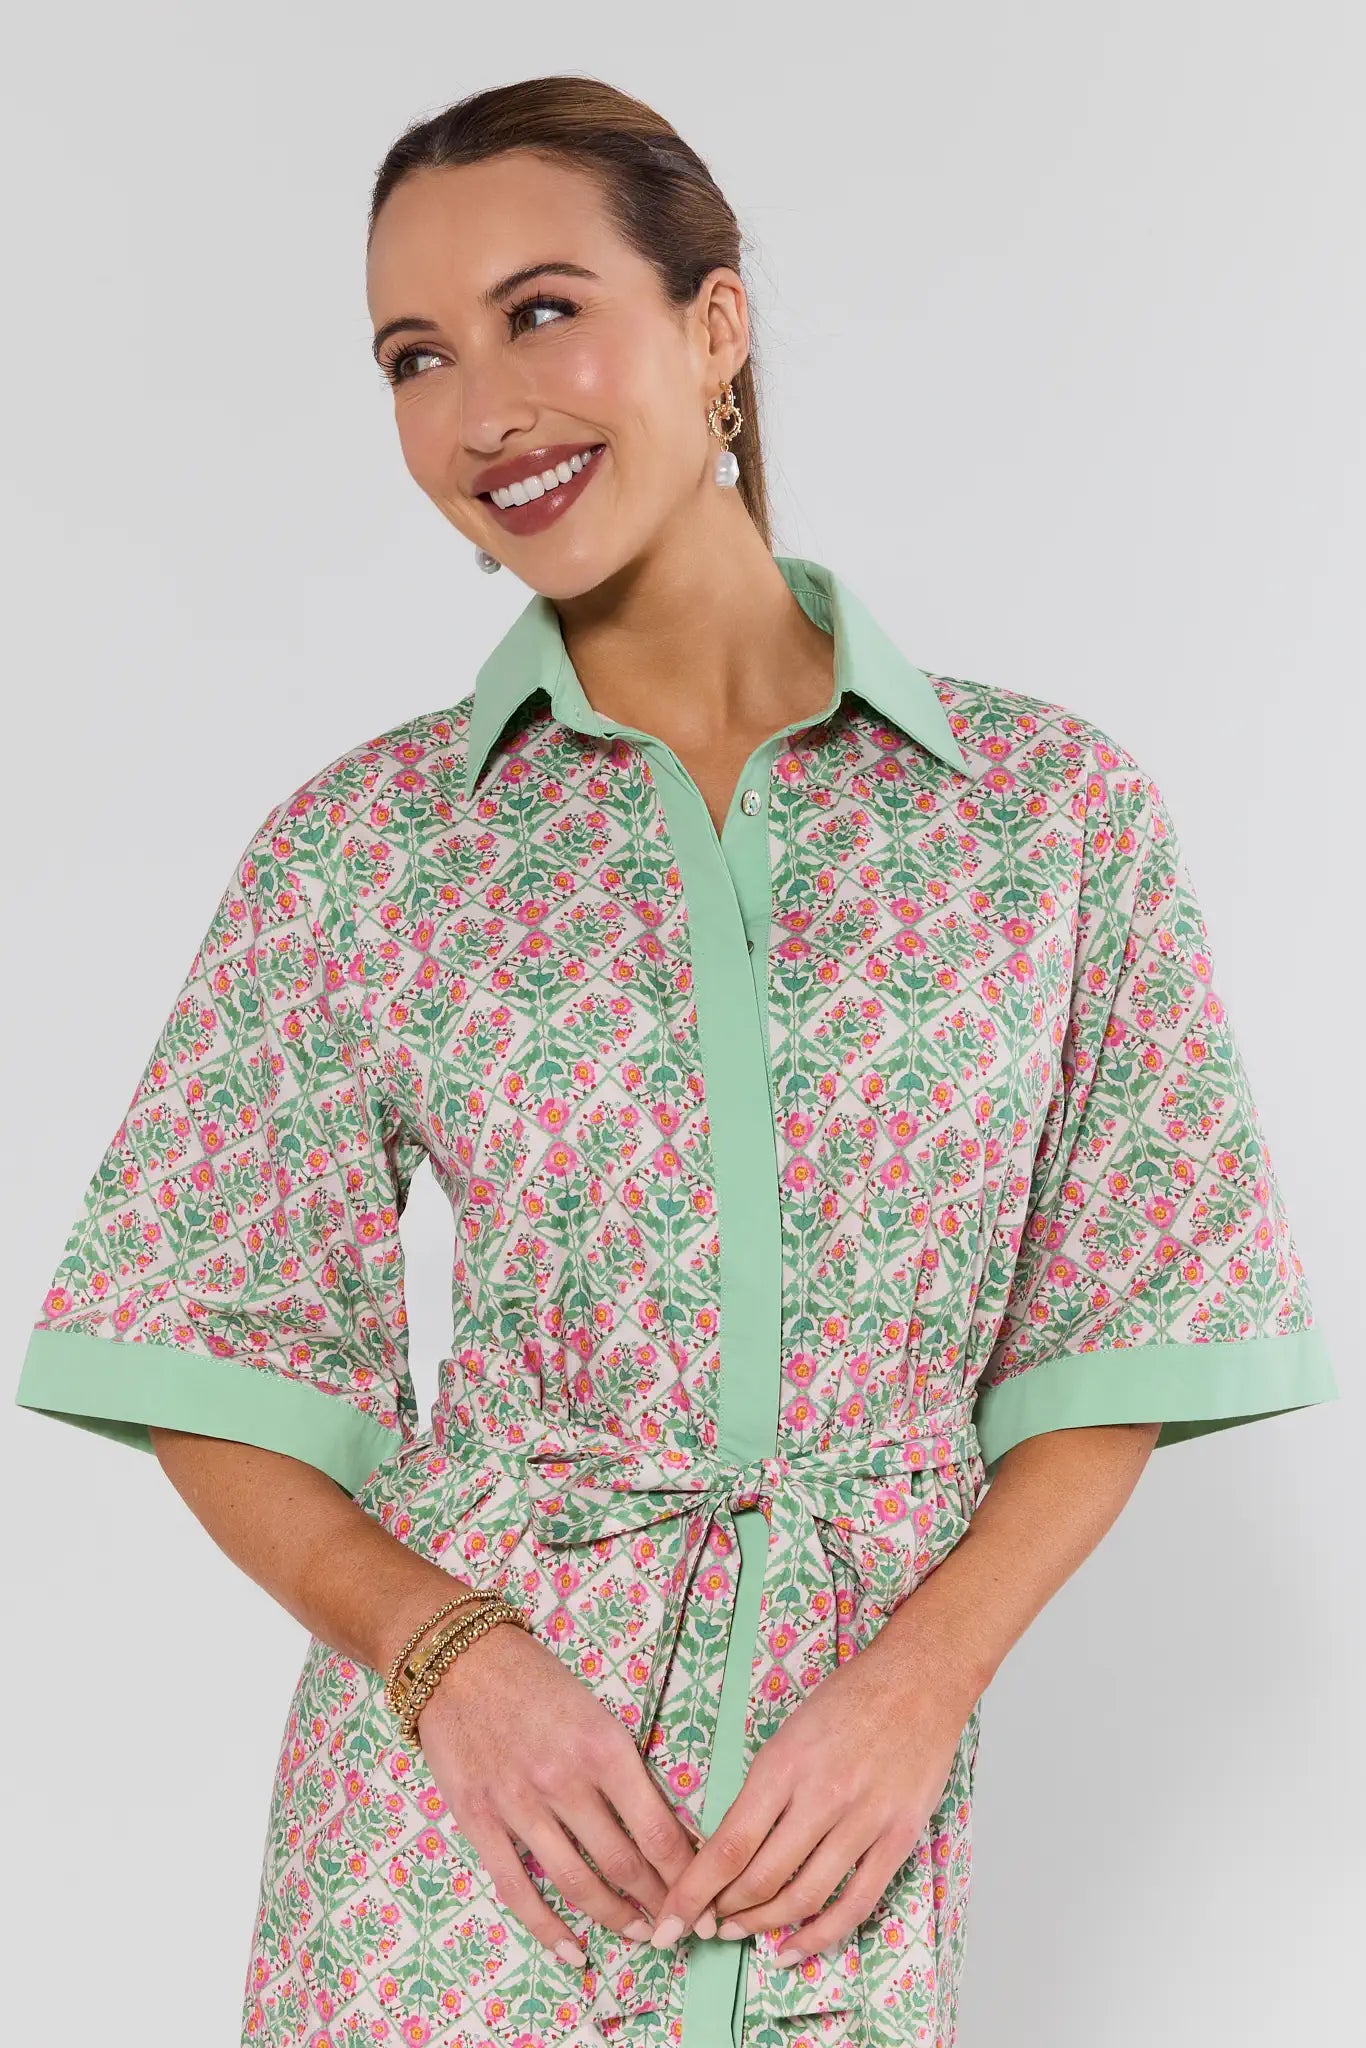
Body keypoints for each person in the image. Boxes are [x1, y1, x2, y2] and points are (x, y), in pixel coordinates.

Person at [15, 73, 1339, 2048]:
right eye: (414, 357)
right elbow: (195, 1334)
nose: (480, 411)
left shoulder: (1045, 818)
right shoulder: (374, 846)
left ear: (714, 326)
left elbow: (1131, 1331)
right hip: (463, 1851)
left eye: (539, 313)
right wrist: (447, 1662)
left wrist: (922, 1681)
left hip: (835, 1839)